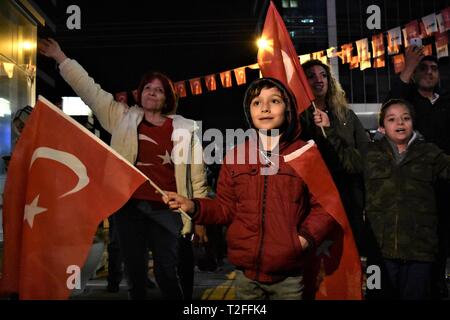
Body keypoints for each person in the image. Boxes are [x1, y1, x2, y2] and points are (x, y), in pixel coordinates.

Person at [38, 38, 208, 300]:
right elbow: (89, 90)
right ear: (139, 94)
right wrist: (61, 57)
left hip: (169, 209)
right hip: (128, 207)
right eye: (148, 88)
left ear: (167, 98)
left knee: (167, 271)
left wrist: (200, 217)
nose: (152, 92)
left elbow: (197, 176)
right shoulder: (120, 117)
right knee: (135, 274)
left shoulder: (185, 129)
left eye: (159, 90)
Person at [162, 78, 338, 300]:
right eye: (256, 102)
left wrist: (302, 240)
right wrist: (193, 206)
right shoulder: (236, 156)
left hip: (289, 279)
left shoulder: (306, 154)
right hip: (245, 276)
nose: (265, 108)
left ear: (288, 109)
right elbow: (225, 208)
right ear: (249, 111)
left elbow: (326, 206)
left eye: (274, 101)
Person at [364, 99, 450, 300]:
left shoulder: (430, 153)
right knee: (376, 297)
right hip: (379, 254)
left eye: (406, 118)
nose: (400, 123)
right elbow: (342, 159)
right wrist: (326, 129)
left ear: (413, 123)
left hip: (420, 252)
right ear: (382, 126)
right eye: (392, 119)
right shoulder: (369, 153)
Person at [386, 49, 450, 299]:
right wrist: (408, 67)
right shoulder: (408, 101)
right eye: (424, 68)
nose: (429, 72)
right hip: (414, 182)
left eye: (433, 69)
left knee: (442, 233)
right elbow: (392, 101)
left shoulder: (445, 101)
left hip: (444, 180)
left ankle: (438, 282)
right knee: (418, 234)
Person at [300, 60, 369, 255]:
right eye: (311, 76)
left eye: (323, 75)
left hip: (347, 197)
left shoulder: (346, 116)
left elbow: (363, 158)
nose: (318, 80)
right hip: (313, 200)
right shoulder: (298, 120)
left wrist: (331, 129)